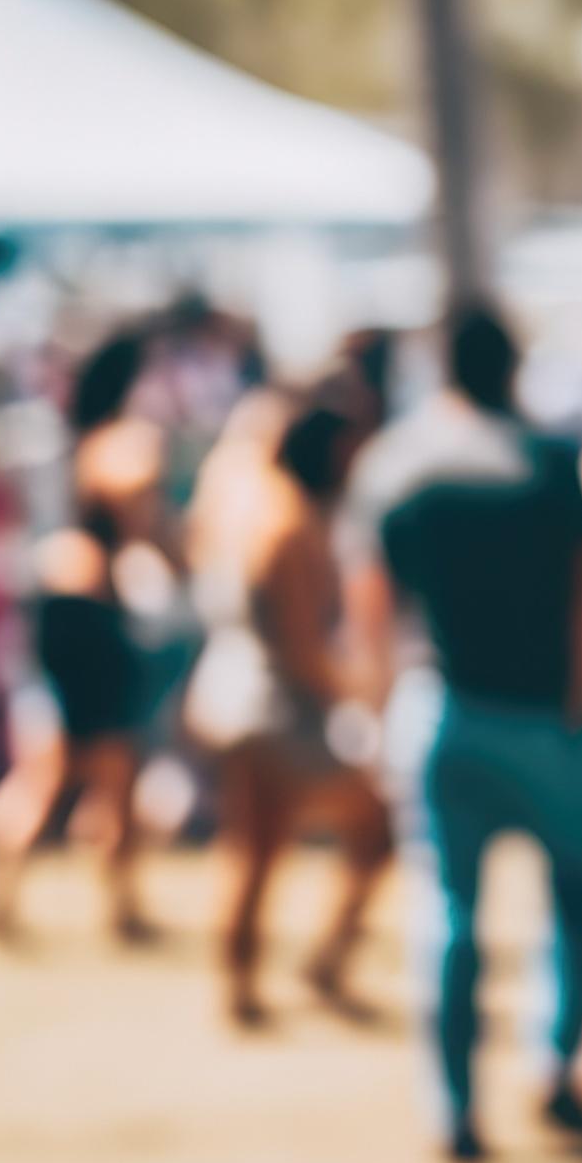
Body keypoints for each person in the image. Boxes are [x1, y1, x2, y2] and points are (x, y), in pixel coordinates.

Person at [346, 305, 582, 1163]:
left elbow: (373, 602)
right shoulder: (551, 461)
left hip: (442, 707)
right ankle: (557, 1061)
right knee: (572, 897)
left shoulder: (397, 464)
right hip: (543, 716)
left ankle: (453, 1108)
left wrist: (378, 707)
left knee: (450, 913)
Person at [181, 395, 393, 1028]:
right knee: (273, 849)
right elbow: (302, 646)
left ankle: (251, 984)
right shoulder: (288, 520)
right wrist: (357, 691)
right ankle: (259, 983)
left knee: (252, 849)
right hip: (272, 707)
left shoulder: (236, 502)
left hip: (229, 691)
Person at [0, 329, 169, 940]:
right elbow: (138, 504)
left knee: (47, 767)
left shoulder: (58, 439)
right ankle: (123, 907)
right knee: (113, 767)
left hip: (48, 606)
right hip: (92, 612)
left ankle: (3, 900)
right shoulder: (119, 444)